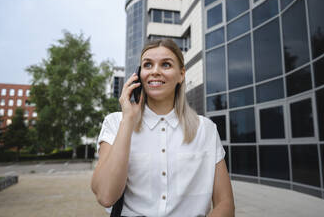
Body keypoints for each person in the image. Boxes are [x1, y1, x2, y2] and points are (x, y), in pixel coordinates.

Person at [91, 39, 235, 217]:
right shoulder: (115, 123)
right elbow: (106, 196)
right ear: (139, 74)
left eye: (166, 64)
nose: (155, 71)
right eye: (148, 65)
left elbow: (225, 202)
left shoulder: (206, 129)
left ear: (181, 74)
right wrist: (128, 120)